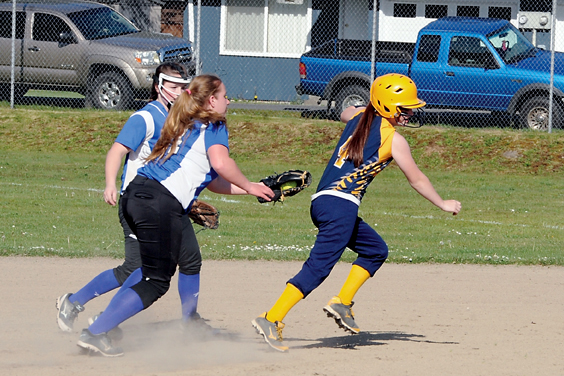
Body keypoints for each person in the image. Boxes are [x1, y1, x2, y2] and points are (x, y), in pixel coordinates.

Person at [251, 73, 462, 352]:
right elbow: (417, 179)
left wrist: (365, 108)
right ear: (386, 106)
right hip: (341, 206)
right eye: (404, 108)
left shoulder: (360, 116)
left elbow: (346, 110)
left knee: (376, 250)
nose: (409, 113)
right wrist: (443, 203)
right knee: (318, 268)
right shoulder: (394, 140)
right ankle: (271, 317)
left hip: (324, 203)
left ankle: (342, 301)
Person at [75, 74, 274, 356]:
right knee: (156, 281)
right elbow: (221, 162)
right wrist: (250, 184)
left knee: (164, 263)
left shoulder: (184, 121)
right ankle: (95, 332)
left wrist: (252, 190)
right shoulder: (214, 123)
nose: (228, 102)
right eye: (225, 96)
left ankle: (118, 323)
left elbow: (211, 178)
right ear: (211, 100)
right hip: (159, 203)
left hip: (138, 194)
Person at [57, 62, 211, 335]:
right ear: (158, 87)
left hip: (163, 204)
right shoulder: (146, 117)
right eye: (173, 86)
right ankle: (77, 305)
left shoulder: (181, 121)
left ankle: (189, 322)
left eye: (182, 86)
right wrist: (109, 185)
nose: (180, 92)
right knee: (136, 267)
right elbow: (116, 151)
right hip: (138, 202)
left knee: (186, 260)